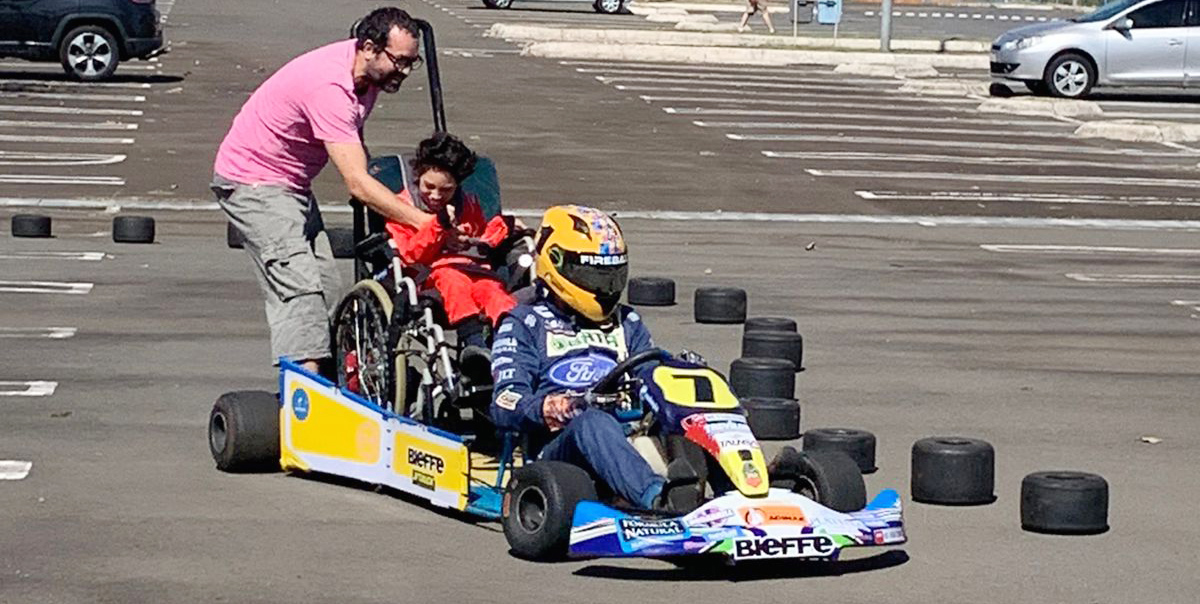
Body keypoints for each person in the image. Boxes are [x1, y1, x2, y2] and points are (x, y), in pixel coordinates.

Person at [211, 7, 433, 374]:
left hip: (292, 185)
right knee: (300, 292)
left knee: (330, 292)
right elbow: (357, 182)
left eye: (412, 62)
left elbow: (354, 146)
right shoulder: (330, 87)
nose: (405, 72)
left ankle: (335, 385)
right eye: (399, 61)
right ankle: (304, 397)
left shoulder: (367, 79)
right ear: (368, 47)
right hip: (254, 184)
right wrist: (420, 221)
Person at [489, 205, 692, 511]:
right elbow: (505, 402)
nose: (603, 287)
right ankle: (661, 500)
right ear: (558, 265)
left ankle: (744, 491)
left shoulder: (627, 321)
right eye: (593, 275)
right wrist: (552, 406)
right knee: (591, 423)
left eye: (610, 276)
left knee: (687, 405)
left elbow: (651, 376)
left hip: (631, 433)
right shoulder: (524, 323)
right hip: (558, 454)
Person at [383, 133, 517, 348]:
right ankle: (473, 344)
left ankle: (509, 340)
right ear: (419, 176)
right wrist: (439, 225)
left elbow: (482, 235)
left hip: (474, 268)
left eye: (446, 190)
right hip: (430, 273)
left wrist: (503, 226)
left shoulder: (467, 203)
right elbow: (411, 255)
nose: (435, 196)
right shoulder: (402, 207)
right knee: (453, 282)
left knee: (493, 292)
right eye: (429, 187)